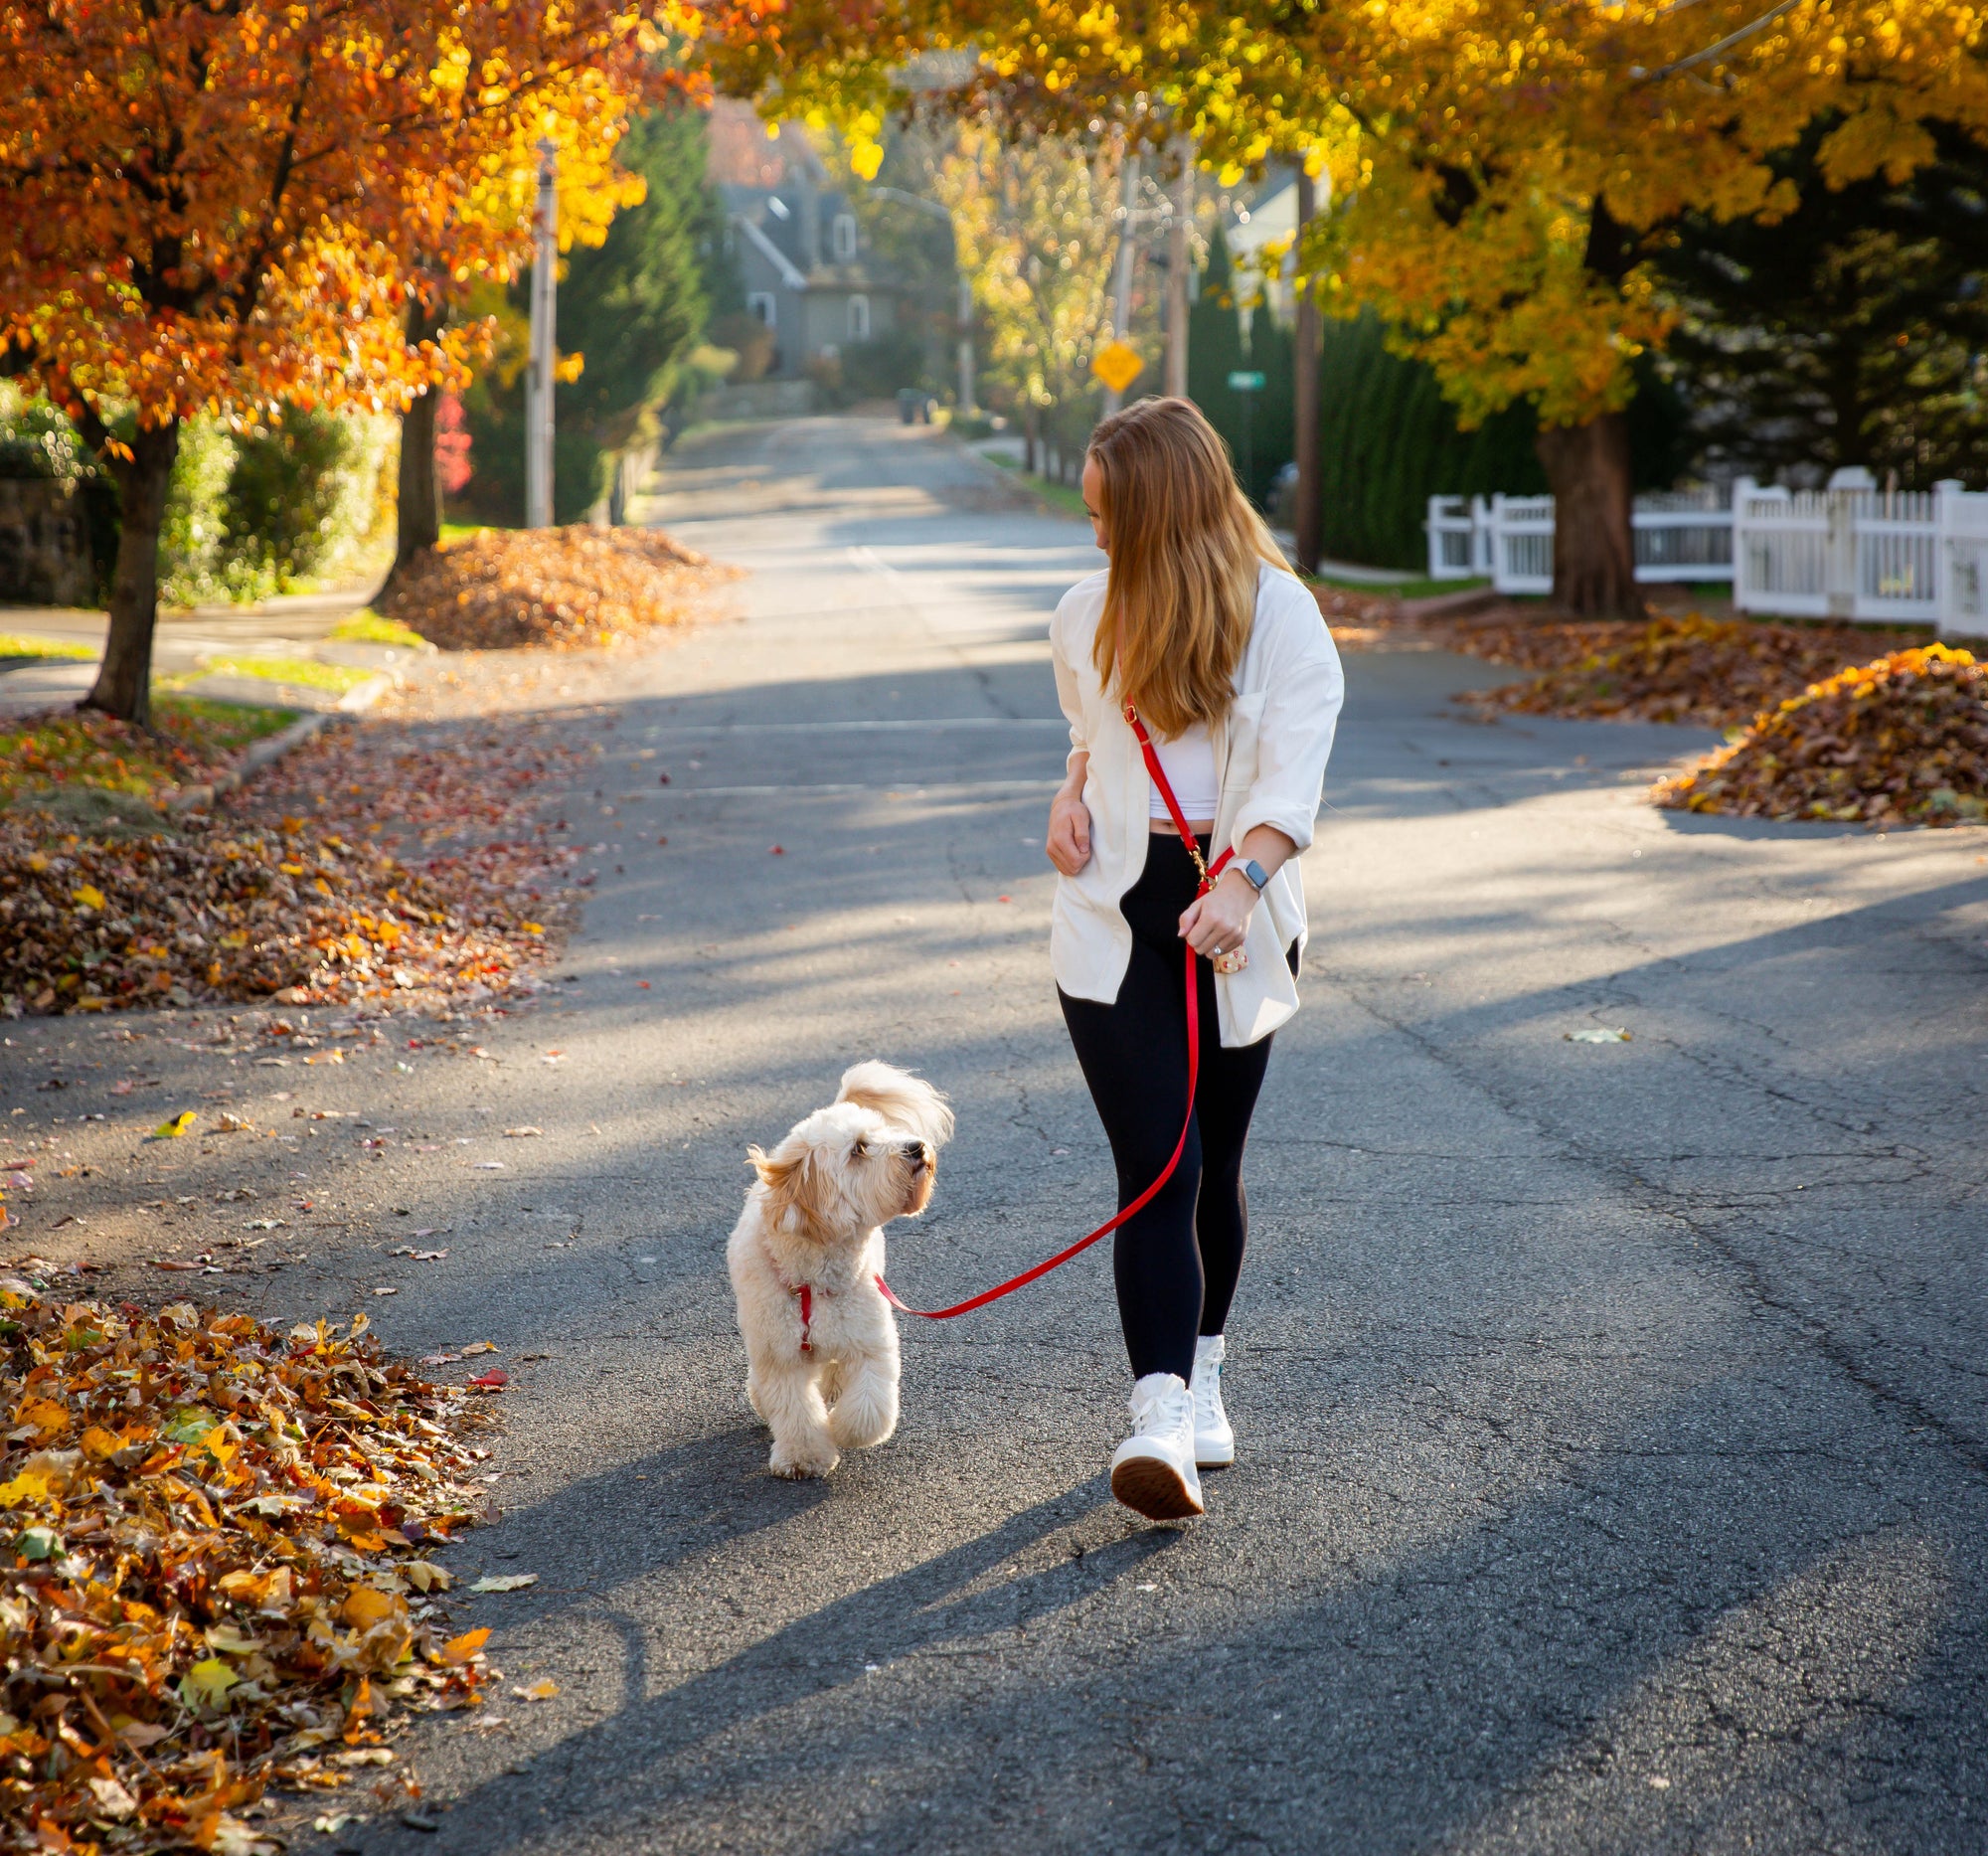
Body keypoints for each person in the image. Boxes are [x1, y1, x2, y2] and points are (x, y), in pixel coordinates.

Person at [1046, 397, 1344, 1521]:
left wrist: (1240, 880)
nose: (1093, 539)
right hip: (1112, 913)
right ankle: (1157, 1417)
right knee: (1155, 1165)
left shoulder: (1282, 618)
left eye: (1106, 517)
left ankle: (1205, 1366)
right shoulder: (1085, 614)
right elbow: (1084, 736)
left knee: (1214, 1161)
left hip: (1239, 909)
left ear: (1162, 515)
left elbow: (1287, 784)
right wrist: (1067, 801)